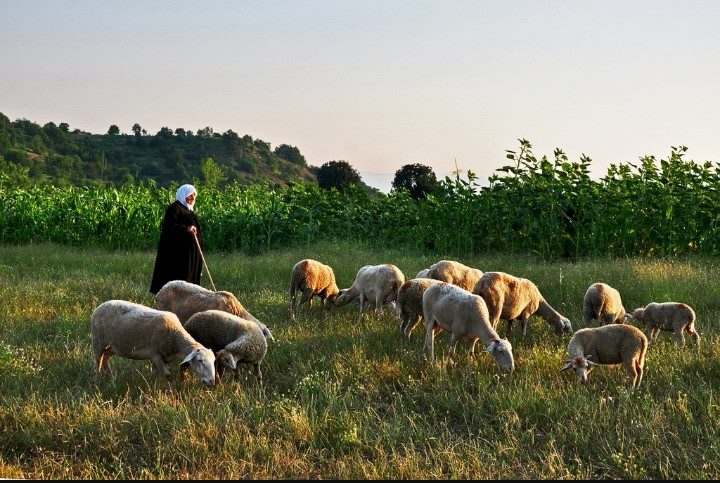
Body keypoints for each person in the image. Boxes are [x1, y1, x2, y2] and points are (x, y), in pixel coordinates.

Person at [150, 184, 204, 295]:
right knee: (179, 277)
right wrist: (186, 229)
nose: (193, 197)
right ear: (184, 195)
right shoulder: (174, 208)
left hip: (191, 253)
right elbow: (170, 228)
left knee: (190, 278)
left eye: (194, 195)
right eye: (190, 195)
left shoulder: (188, 210)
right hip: (178, 254)